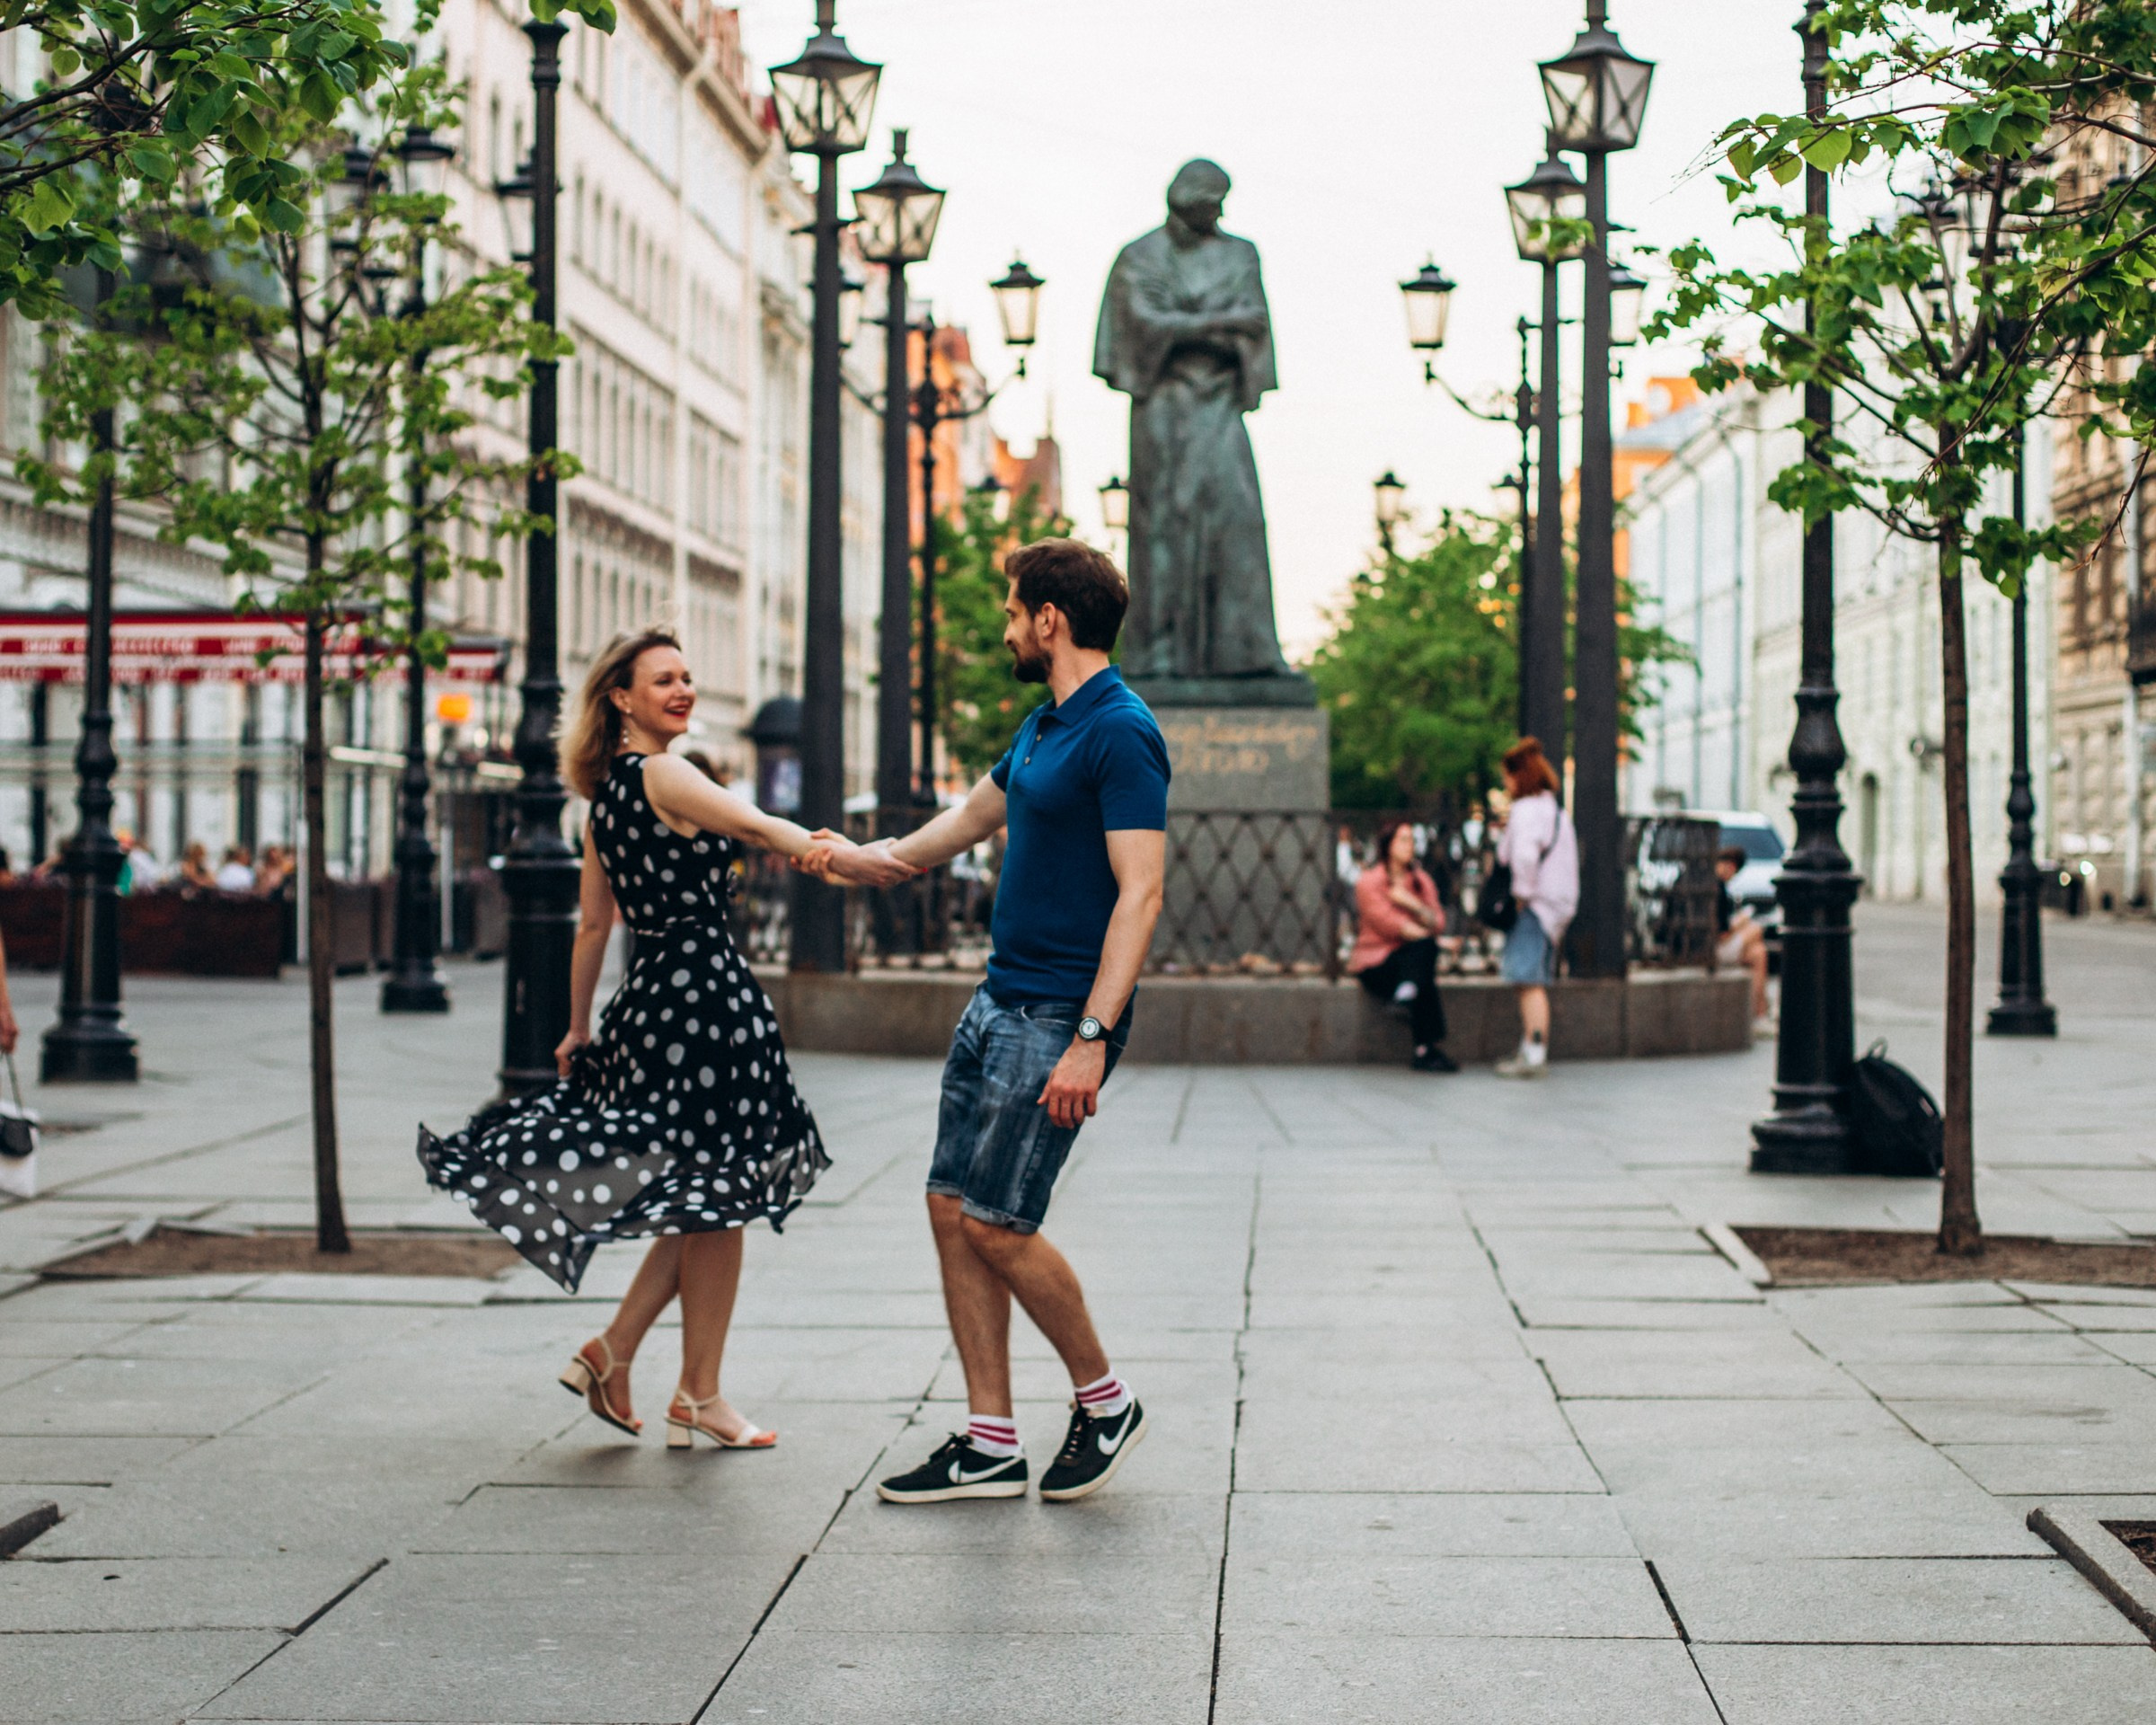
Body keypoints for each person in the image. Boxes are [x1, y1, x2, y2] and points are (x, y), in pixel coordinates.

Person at [416, 628, 907, 1449]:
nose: (683, 690)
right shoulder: (666, 772)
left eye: (687, 676)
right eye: (664, 680)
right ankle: (698, 1394)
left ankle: (620, 1355)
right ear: (621, 698)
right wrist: (842, 858)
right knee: (721, 1196)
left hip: (652, 1003)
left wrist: (577, 1029)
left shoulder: (605, 798)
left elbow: (593, 926)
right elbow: (757, 826)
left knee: (702, 1198)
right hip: (707, 998)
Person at [809, 538, 1168, 1505]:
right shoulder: (1043, 727)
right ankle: (991, 1438)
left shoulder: (1120, 731)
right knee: (949, 1206)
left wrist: (1092, 1039)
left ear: (1050, 619)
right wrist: (853, 858)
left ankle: (1106, 1399)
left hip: (1056, 1015)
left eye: (1014, 613)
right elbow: (957, 829)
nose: (1006, 629)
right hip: (996, 1002)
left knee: (999, 1225)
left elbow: (1140, 895)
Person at [1493, 737, 1577, 1080]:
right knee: (1533, 978)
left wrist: (1521, 894)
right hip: (1557, 904)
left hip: (1536, 904)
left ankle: (1534, 1053)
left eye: (1508, 777)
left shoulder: (1527, 812)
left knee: (1527, 979)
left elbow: (1524, 857)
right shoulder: (1555, 811)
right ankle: (1531, 1047)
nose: (1505, 784)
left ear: (1519, 776)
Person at [1347, 818, 1456, 1072]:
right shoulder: (1369, 882)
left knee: (1421, 964)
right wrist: (1433, 938)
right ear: (1388, 844)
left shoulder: (1420, 881)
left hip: (1412, 962)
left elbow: (1437, 921)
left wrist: (1411, 902)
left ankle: (1408, 996)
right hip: (1377, 965)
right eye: (1404, 840)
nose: (1410, 846)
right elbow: (1388, 924)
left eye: (1412, 840)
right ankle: (1426, 1048)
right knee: (1423, 959)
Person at [1715, 844, 1773, 1026]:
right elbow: (1722, 935)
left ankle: (1761, 1010)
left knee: (1759, 953)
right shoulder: (1718, 888)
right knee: (1756, 930)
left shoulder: (1704, 882)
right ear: (1732, 866)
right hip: (1712, 949)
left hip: (1707, 945)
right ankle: (1761, 1012)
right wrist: (1738, 925)